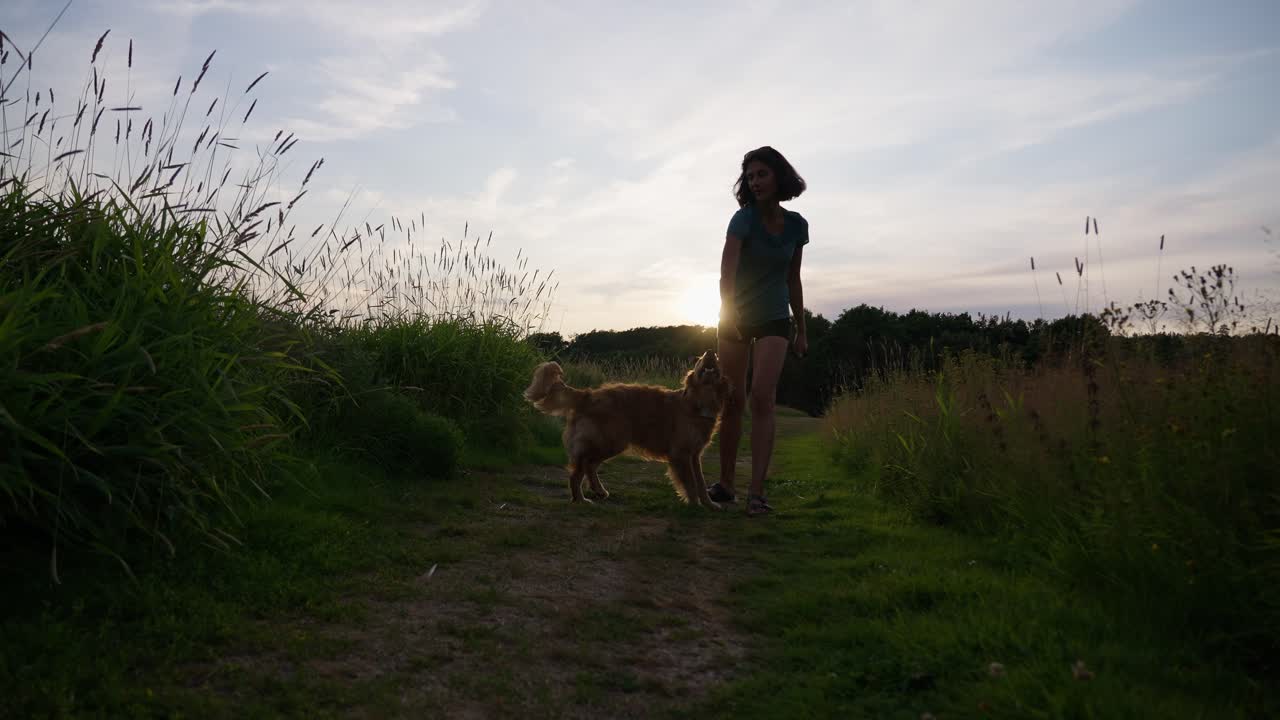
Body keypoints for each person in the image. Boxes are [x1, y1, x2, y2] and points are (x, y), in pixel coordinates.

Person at [709, 146, 808, 516]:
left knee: (763, 397)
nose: (755, 182)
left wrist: (801, 329)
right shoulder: (742, 220)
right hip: (735, 317)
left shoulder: (798, 225)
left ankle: (756, 493)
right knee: (733, 401)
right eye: (749, 177)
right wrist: (729, 314)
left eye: (761, 174)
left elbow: (793, 280)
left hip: (774, 319)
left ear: (779, 176)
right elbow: (726, 275)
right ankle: (725, 485)